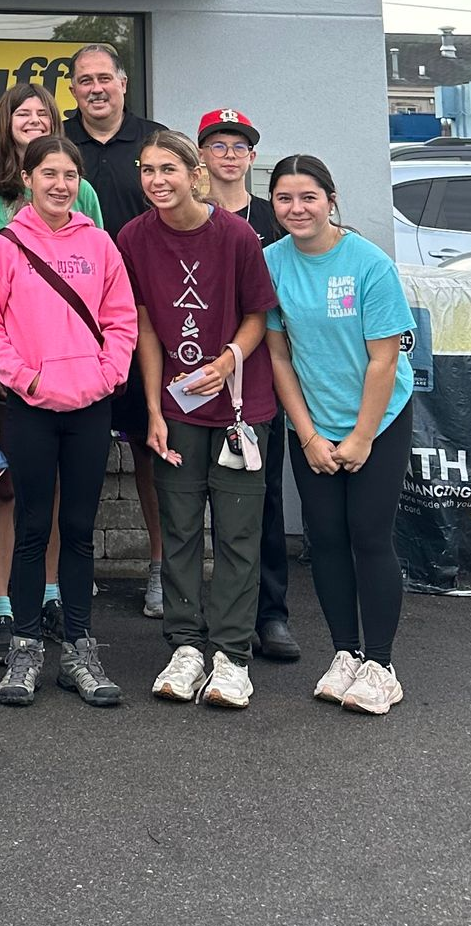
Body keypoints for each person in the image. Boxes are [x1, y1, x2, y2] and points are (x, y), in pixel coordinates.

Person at [0, 134, 137, 708]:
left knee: (81, 531)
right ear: (29, 178)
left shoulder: (101, 244)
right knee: (32, 529)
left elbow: (121, 321)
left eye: (70, 175)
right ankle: (24, 649)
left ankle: (80, 651)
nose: (60, 185)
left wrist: (106, 376)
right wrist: (28, 379)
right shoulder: (4, 246)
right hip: (32, 410)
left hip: (90, 406)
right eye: (49, 174)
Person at [118, 128, 276, 710]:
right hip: (177, 409)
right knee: (180, 528)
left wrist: (229, 358)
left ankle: (232, 656)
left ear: (195, 174)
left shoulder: (235, 235)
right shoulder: (134, 237)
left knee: (236, 534)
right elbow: (147, 327)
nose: (157, 181)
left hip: (240, 407)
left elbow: (260, 315)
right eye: (147, 170)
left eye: (169, 170)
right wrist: (154, 409)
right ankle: (184, 646)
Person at [263, 154, 415, 717]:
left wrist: (361, 438)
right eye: (284, 199)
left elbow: (384, 361)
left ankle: (381, 664)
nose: (297, 209)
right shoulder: (272, 262)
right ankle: (345, 653)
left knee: (368, 536)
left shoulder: (369, 264)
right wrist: (307, 435)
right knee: (325, 539)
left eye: (308, 197)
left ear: (331, 199)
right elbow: (279, 356)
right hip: (314, 423)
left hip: (378, 419)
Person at [0, 83, 102, 660]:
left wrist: (100, 373)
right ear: (5, 121)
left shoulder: (81, 191)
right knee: (3, 487)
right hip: (4, 371)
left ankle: (48, 600)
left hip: (72, 380)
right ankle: (0, 612)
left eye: (44, 114)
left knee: (55, 494)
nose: (34, 121)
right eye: (23, 113)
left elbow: (99, 280)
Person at [62, 43, 166, 618]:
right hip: (72, 326)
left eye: (105, 78)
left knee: (151, 449)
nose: (96, 88)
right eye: (84, 81)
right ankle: (73, 568)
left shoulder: (153, 142)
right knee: (75, 451)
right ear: (72, 90)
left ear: (124, 84)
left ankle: (158, 567)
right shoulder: (58, 144)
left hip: (144, 321)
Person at [197, 108, 297, 665]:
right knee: (197, 503)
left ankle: (271, 614)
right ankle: (213, 613)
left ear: (252, 157)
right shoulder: (188, 213)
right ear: (202, 155)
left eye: (239, 146)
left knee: (265, 499)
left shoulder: (275, 216)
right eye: (218, 145)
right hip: (198, 376)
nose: (229, 154)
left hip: (263, 375)